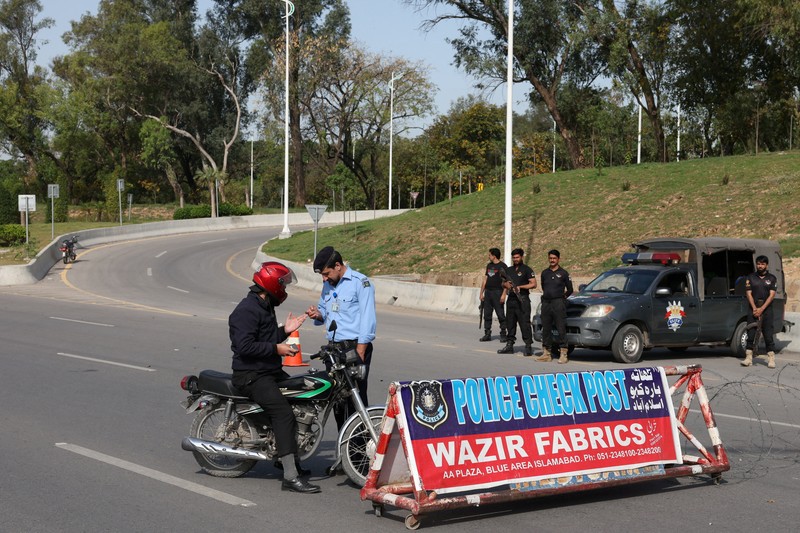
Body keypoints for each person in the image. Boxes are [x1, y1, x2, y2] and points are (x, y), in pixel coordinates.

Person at [229, 261, 320, 494]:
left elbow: (264, 339)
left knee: (299, 398)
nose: (285, 290)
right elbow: (244, 346)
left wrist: (284, 332)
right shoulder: (246, 310)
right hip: (251, 375)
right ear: (272, 285)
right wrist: (277, 348)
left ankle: (285, 456)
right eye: (283, 285)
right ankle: (290, 476)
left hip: (267, 371)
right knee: (283, 413)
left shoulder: (264, 305)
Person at [306, 247, 377, 431]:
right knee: (338, 401)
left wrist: (360, 351)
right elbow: (325, 312)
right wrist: (317, 314)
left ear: (338, 266)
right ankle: (343, 443)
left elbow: (368, 319)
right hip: (334, 350)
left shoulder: (360, 283)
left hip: (354, 348)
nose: (324, 279)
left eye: (326, 273)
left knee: (355, 399)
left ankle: (358, 446)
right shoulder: (328, 285)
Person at [535, 249, 574, 364]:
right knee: (546, 328)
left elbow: (570, 289)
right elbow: (543, 286)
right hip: (546, 303)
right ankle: (546, 353)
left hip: (558, 303)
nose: (552, 260)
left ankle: (563, 353)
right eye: (550, 258)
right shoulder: (545, 273)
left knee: (561, 328)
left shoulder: (564, 273)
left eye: (554, 258)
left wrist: (562, 298)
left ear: (558, 259)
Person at [497, 248, 536, 356]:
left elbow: (533, 284)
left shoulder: (527, 269)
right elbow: (503, 283)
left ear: (521, 257)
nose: (515, 259)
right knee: (510, 323)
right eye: (513, 257)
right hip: (511, 299)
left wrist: (520, 287)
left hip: (522, 299)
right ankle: (509, 345)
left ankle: (528, 346)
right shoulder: (508, 270)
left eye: (517, 257)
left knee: (525, 323)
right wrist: (506, 285)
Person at [741, 255, 778, 368]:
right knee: (751, 333)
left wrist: (761, 309)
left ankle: (771, 358)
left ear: (766, 265)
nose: (760, 266)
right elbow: (748, 294)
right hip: (753, 309)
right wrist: (754, 308)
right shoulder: (750, 277)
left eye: (762, 264)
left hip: (767, 310)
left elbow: (772, 295)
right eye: (758, 264)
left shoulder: (772, 278)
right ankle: (748, 358)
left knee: (768, 335)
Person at [479, 248, 508, 342]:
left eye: (490, 255)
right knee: (487, 314)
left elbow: (506, 281)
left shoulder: (502, 266)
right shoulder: (489, 266)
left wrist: (504, 294)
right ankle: (487, 333)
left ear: (494, 256)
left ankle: (503, 334)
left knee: (500, 314)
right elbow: (485, 279)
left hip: (498, 292)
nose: (488, 256)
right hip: (488, 292)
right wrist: (481, 293)